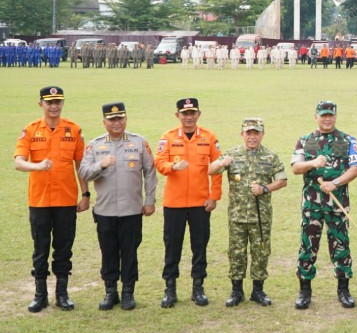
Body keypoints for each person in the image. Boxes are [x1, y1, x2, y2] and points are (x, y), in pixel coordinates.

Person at [14, 86, 90, 313]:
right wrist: (36, 166)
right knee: (41, 248)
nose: (54, 106)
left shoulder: (74, 130)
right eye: (49, 102)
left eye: (58, 101)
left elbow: (81, 167)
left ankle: (62, 294)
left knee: (64, 248)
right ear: (41, 104)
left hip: (66, 200)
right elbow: (18, 161)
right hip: (39, 201)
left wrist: (85, 195)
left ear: (62, 103)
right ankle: (40, 295)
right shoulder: (30, 131)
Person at [79, 102, 157, 311]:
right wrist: (100, 165)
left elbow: (150, 172)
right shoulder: (95, 146)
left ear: (126, 119)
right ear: (104, 121)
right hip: (104, 211)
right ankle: (110, 291)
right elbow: (83, 172)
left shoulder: (139, 142)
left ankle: (128, 293)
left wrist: (149, 200)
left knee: (130, 252)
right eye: (112, 119)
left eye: (120, 118)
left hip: (132, 210)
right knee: (108, 251)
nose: (116, 122)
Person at [209, 118, 287, 307]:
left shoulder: (270, 156)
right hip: (237, 215)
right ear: (242, 134)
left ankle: (258, 290)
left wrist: (265, 189)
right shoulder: (231, 154)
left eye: (256, 133)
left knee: (260, 252)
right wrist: (221, 163)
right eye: (248, 133)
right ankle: (236, 291)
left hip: (261, 215)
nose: (252, 137)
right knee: (236, 253)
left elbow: (282, 180)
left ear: (262, 134)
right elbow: (210, 171)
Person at [291, 101, 357, 309]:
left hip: (337, 206)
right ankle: (304, 291)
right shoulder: (305, 141)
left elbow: (356, 168)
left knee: (341, 247)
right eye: (323, 115)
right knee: (307, 247)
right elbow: (296, 168)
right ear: (316, 117)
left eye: (330, 115)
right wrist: (312, 163)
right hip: (312, 205)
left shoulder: (348, 139)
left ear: (335, 116)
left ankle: (343, 290)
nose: (327, 118)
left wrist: (335, 183)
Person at [155, 98, 223, 308]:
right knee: (172, 246)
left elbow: (218, 168)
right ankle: (170, 288)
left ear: (198, 114)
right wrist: (171, 167)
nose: (189, 117)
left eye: (192, 113)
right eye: (185, 113)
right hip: (174, 203)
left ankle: (198, 287)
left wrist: (214, 196)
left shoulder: (209, 137)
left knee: (199, 246)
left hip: (200, 203)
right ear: (178, 115)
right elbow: (158, 161)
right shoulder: (168, 137)